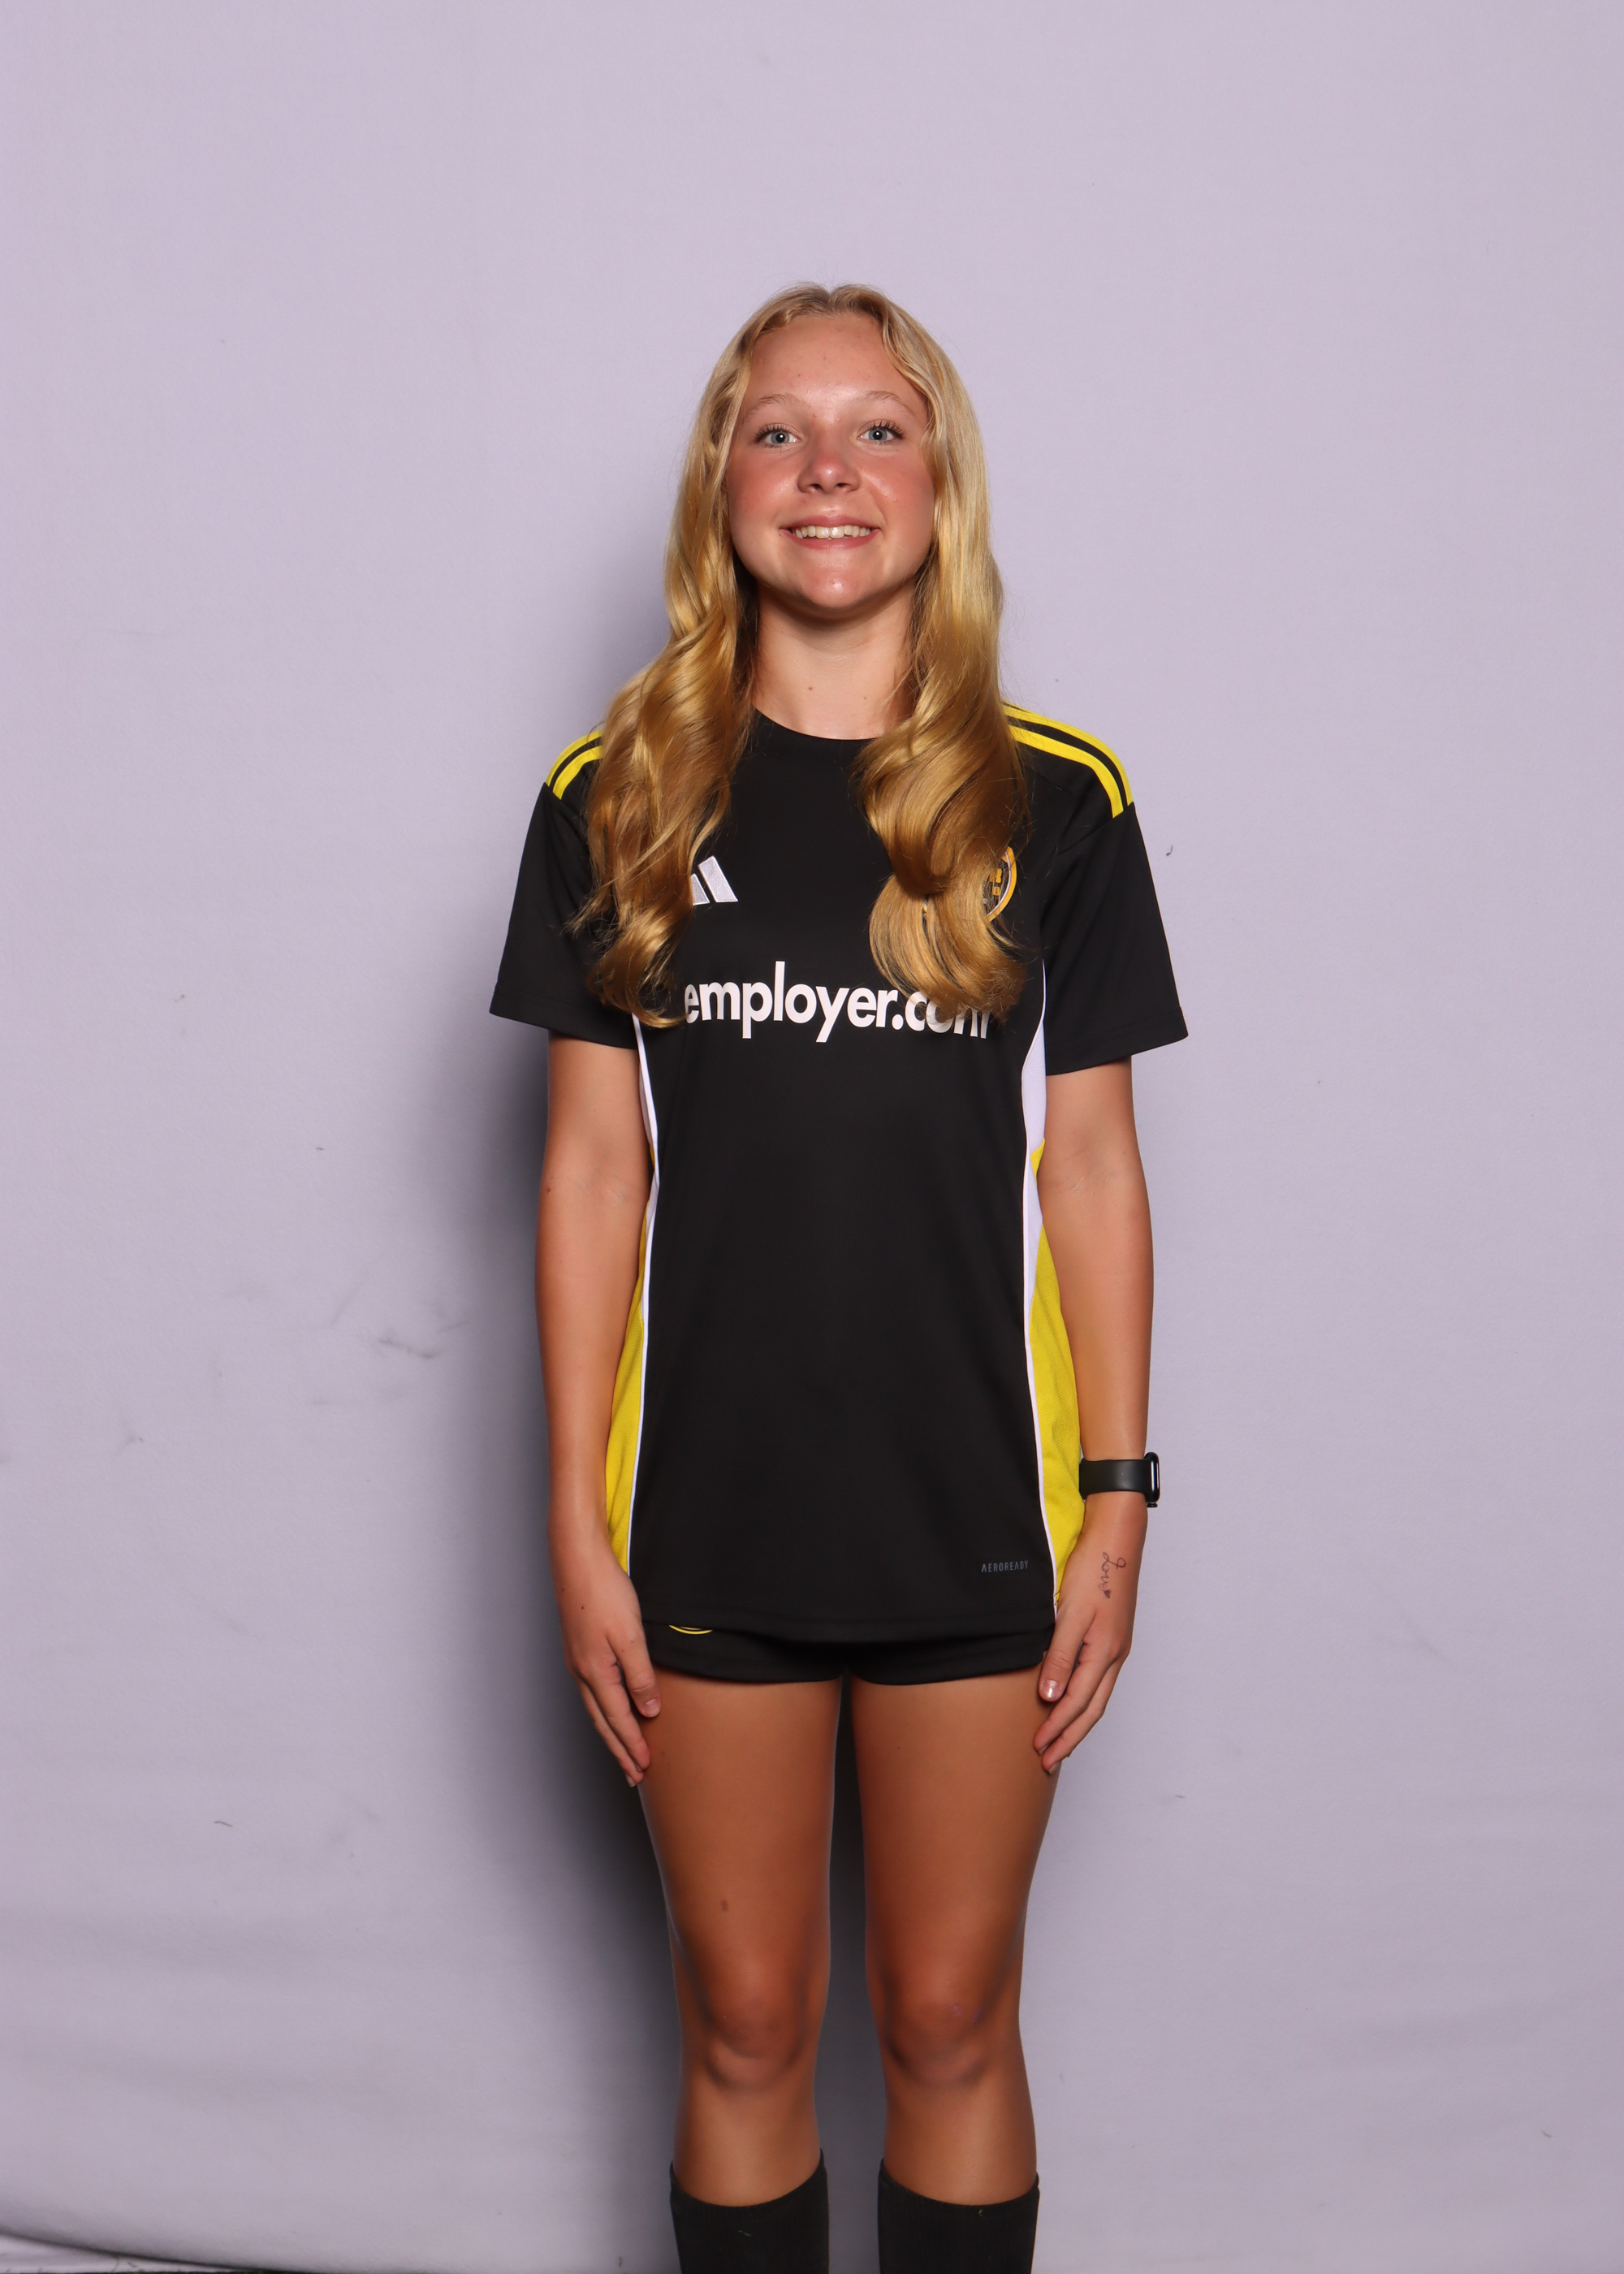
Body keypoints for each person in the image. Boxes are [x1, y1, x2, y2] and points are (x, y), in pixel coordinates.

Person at [491, 282, 1186, 2274]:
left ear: (939, 483)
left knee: (950, 2014)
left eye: (878, 427)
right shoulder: (613, 793)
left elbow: (1093, 1170)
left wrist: (1118, 1503)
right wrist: (571, 1520)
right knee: (743, 2019)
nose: (826, 468)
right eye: (775, 427)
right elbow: (590, 1168)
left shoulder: (1057, 800)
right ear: (719, 484)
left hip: (977, 1507)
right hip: (702, 1508)